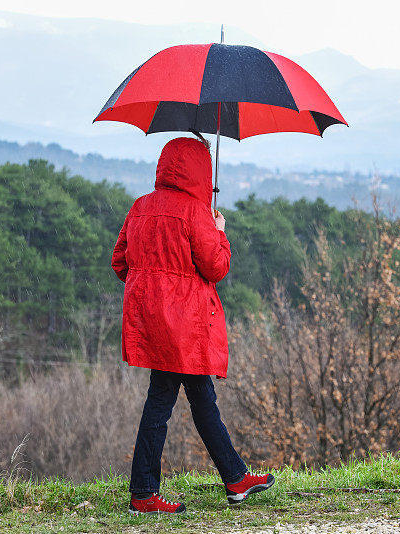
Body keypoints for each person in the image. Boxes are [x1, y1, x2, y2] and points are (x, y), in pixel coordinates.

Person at [111, 136, 274, 515]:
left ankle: (233, 478)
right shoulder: (195, 212)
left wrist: (153, 290)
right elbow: (216, 267)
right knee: (169, 404)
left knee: (196, 401)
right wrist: (219, 230)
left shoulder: (140, 207)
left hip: (152, 324)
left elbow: (121, 262)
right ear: (202, 171)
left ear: (164, 166)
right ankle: (146, 493)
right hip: (184, 328)